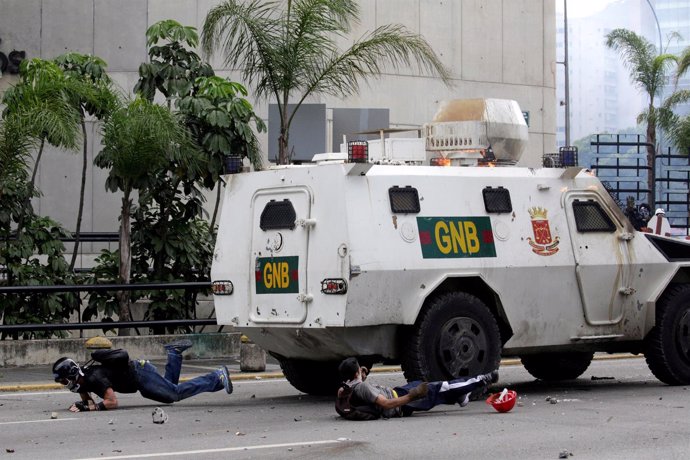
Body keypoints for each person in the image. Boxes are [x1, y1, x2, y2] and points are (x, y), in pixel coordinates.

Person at [52, 339, 233, 412]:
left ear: (73, 375)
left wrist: (89, 408)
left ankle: (216, 376)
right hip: (139, 378)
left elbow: (112, 402)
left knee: (174, 394)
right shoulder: (82, 381)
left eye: (64, 380)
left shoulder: (94, 378)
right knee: (169, 389)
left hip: (141, 374)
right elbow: (88, 401)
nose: (64, 384)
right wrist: (83, 404)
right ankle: (174, 353)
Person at [337, 357, 499, 418]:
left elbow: (362, 393)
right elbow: (385, 404)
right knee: (440, 387)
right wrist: (412, 396)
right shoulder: (362, 387)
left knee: (434, 388)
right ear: (357, 372)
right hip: (402, 402)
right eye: (360, 369)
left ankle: (459, 395)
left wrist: (361, 376)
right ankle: (482, 380)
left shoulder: (345, 389)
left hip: (398, 391)